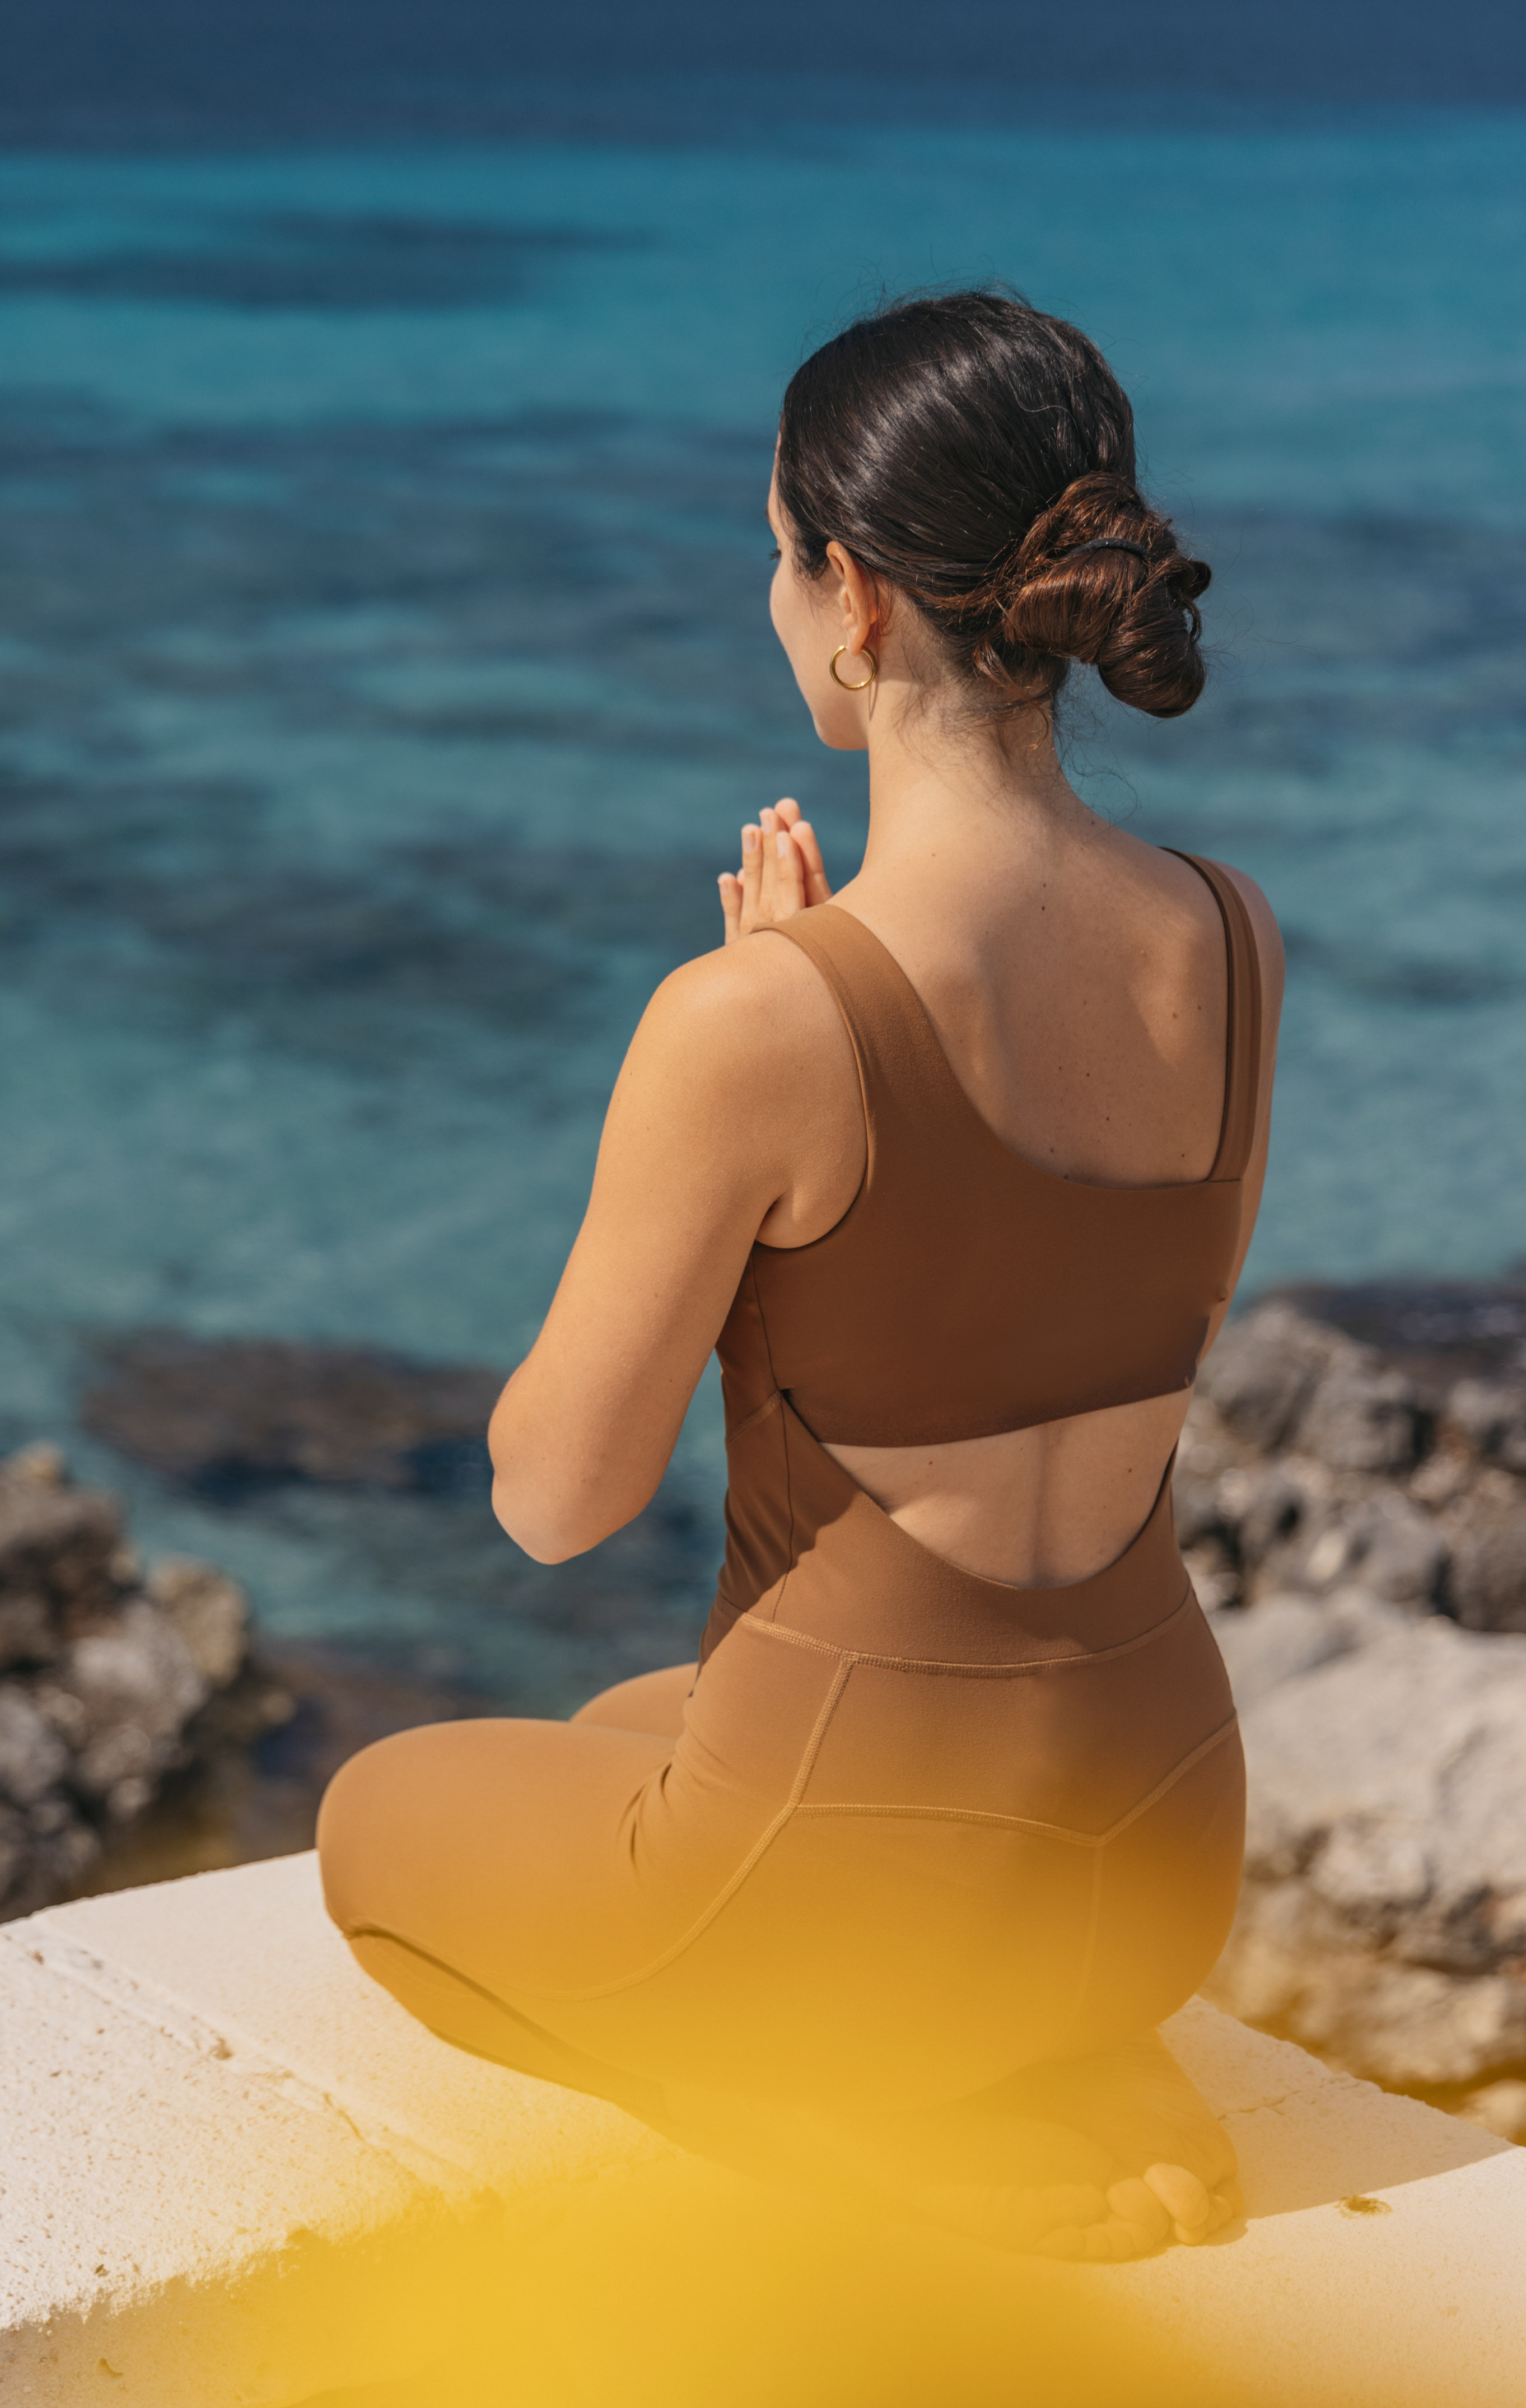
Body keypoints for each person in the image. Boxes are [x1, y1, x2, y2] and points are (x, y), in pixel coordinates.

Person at [318, 290, 1284, 2263]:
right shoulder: (1231, 934)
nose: (771, 598)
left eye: (775, 552)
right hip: (1162, 1837)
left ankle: (868, 2126)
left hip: (859, 1887)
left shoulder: (745, 1025)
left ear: (849, 595)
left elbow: (551, 1502)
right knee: (617, 1726)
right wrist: (813, 1030)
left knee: (375, 1825)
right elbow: (1054, 1320)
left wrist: (755, 1047)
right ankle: (1052, 2045)